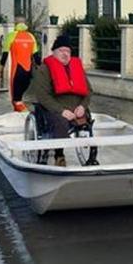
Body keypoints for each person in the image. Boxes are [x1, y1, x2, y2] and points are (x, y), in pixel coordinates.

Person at [27, 35, 97, 167]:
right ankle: (59, 155)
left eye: (68, 51)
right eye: (61, 51)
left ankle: (92, 154)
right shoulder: (44, 69)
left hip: (77, 108)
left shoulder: (76, 67)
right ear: (54, 52)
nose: (65, 54)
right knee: (60, 121)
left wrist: (82, 106)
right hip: (55, 108)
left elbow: (88, 91)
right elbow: (42, 96)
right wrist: (61, 111)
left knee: (86, 120)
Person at [0, 15, 40, 112]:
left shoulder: (11, 36)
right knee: (20, 97)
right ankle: (19, 115)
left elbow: (4, 55)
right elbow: (37, 58)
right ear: (25, 24)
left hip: (17, 72)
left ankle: (25, 116)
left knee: (15, 100)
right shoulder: (31, 36)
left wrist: (0, 70)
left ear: (15, 24)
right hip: (28, 73)